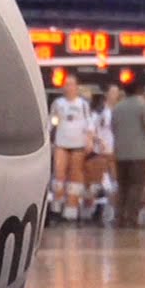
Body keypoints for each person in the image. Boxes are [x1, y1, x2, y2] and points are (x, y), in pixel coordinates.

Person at [111, 77, 145, 228]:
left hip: (120, 153)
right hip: (138, 153)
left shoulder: (117, 107)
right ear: (138, 90)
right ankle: (131, 218)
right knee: (136, 186)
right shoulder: (143, 105)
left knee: (123, 186)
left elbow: (113, 128)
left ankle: (120, 217)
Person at [49, 78, 92, 223]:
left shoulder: (83, 104)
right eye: (66, 85)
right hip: (61, 143)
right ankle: (56, 208)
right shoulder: (58, 103)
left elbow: (89, 123)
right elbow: (51, 122)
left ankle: (71, 211)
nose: (69, 87)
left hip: (78, 143)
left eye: (72, 84)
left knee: (75, 175)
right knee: (59, 174)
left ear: (76, 87)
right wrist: (49, 138)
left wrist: (89, 140)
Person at [84, 85, 119, 222]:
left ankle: (114, 212)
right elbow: (91, 130)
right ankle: (98, 210)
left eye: (116, 92)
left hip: (116, 152)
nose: (114, 95)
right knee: (100, 183)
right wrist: (97, 141)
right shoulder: (99, 113)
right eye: (112, 92)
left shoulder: (120, 112)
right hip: (101, 153)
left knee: (114, 183)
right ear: (107, 95)